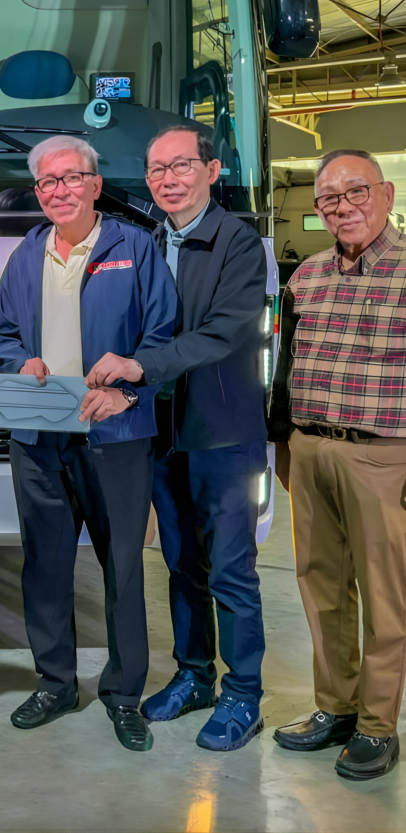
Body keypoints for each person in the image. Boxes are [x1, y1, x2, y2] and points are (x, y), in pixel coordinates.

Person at [0, 135, 176, 752]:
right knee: (44, 565)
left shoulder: (135, 247)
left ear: (95, 185)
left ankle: (124, 695)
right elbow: (3, 334)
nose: (59, 191)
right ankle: (56, 682)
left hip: (116, 435)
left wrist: (129, 393)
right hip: (40, 439)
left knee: (121, 565)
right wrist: (21, 364)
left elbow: (164, 338)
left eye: (71, 179)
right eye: (46, 182)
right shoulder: (26, 255)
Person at [85, 125, 269, 751]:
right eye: (156, 168)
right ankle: (195, 676)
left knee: (232, 571)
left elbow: (222, 332)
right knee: (181, 562)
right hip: (159, 431)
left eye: (181, 165)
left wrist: (140, 369)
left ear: (212, 171)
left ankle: (245, 694)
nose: (166, 178)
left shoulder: (238, 243)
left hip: (221, 432)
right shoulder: (143, 241)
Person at [269, 149, 406, 782]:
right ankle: (337, 708)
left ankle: (378, 725)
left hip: (385, 455)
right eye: (329, 199)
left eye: (356, 192)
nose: (343, 206)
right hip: (311, 446)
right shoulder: (308, 276)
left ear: (387, 193)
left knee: (386, 598)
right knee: (321, 585)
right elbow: (285, 366)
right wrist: (282, 440)